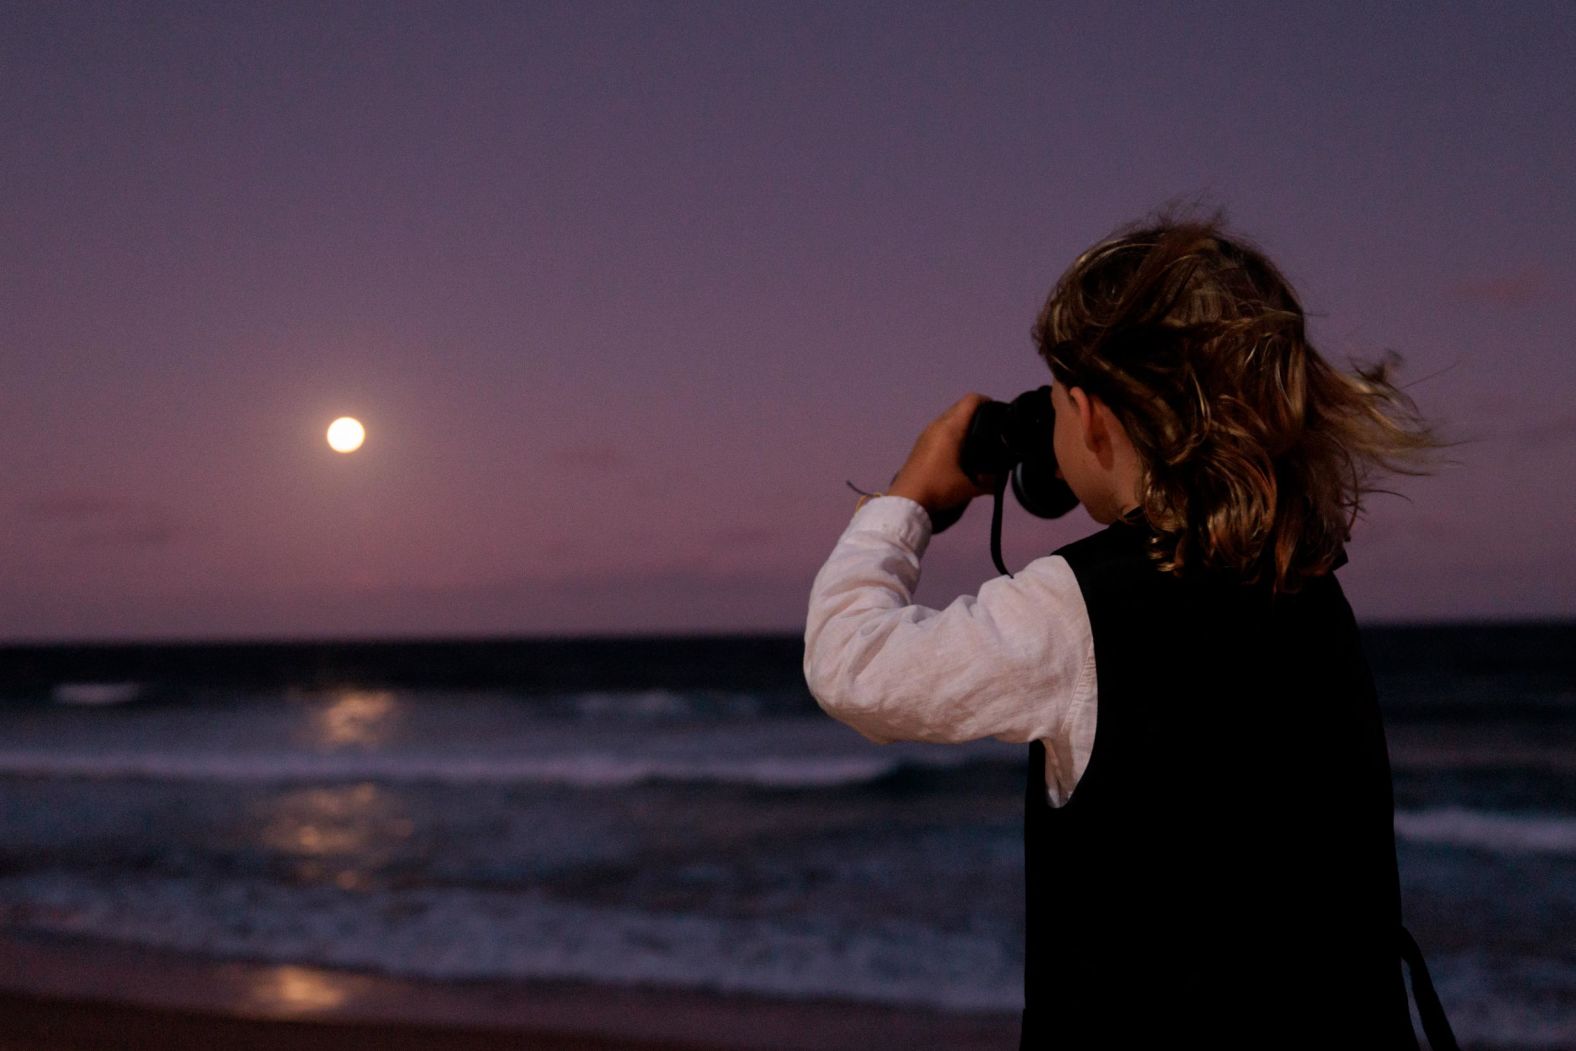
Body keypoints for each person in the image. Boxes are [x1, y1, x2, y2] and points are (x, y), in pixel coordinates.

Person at [802, 212, 1456, 1048]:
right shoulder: (1310, 585)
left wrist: (903, 506)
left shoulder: (1079, 605)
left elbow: (850, 664)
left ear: (1096, 416)